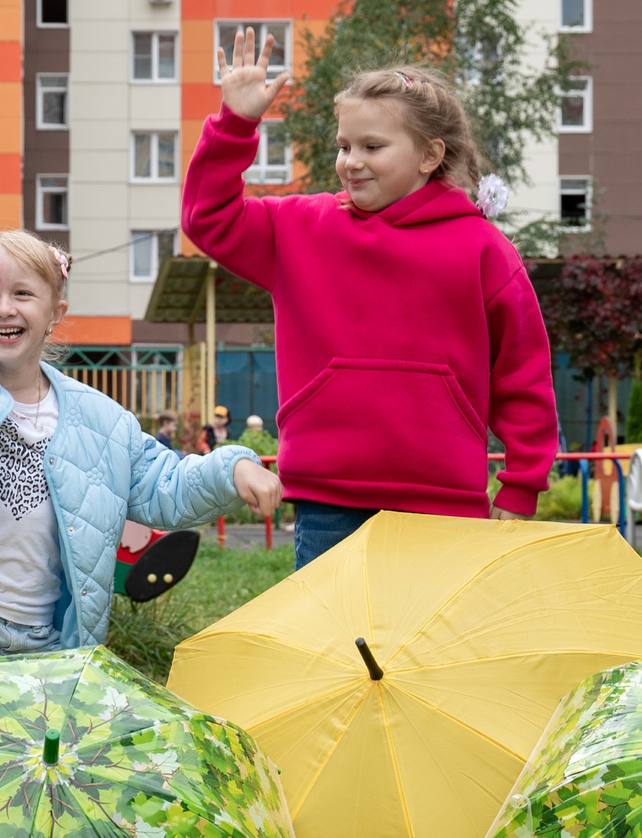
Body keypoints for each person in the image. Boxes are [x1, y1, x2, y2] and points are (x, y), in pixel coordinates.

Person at [0, 178, 283, 660]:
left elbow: (162, 482)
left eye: (23, 293)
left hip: (49, 634)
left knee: (42, 739)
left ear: (54, 313)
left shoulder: (98, 419)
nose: (4, 308)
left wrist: (233, 467)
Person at [180, 30, 558, 567]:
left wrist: (521, 486)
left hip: (444, 507)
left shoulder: (484, 249)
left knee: (431, 653)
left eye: (372, 147)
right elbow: (208, 217)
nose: (351, 161)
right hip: (329, 501)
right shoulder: (302, 228)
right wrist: (236, 123)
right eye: (344, 146)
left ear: (430, 155)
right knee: (336, 648)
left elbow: (523, 374)